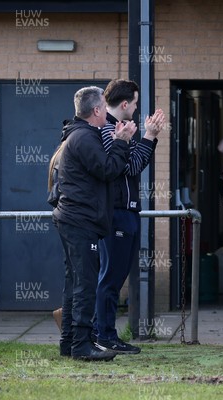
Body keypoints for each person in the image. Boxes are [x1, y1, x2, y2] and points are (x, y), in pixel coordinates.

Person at [52, 86, 135, 361]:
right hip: (79, 221)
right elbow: (108, 170)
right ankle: (81, 346)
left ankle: (70, 342)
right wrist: (122, 142)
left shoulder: (79, 135)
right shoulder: (85, 138)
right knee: (85, 283)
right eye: (104, 106)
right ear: (97, 110)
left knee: (74, 281)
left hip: (75, 219)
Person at [93, 79, 166, 354]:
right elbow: (130, 166)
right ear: (125, 104)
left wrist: (147, 136)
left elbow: (134, 161)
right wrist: (148, 136)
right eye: (135, 104)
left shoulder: (121, 128)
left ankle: (100, 332)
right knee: (110, 277)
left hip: (126, 211)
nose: (136, 109)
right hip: (116, 213)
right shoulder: (107, 130)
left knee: (114, 275)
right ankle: (105, 336)